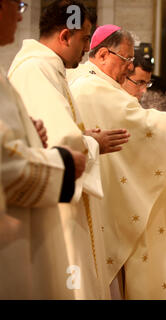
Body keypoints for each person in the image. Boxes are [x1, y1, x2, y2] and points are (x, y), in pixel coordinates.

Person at [67, 25, 166, 299]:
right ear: (104, 55)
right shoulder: (92, 87)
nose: (129, 67)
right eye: (126, 59)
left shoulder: (89, 80)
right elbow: (140, 123)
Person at [8, 0, 130, 299]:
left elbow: (49, 131)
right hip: (53, 208)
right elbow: (62, 141)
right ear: (65, 36)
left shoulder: (48, 67)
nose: (87, 47)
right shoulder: (36, 69)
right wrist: (92, 142)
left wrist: (84, 136)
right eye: (84, 38)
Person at [0, 0, 88, 299]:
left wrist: (27, 136)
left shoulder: (46, 67)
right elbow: (5, 160)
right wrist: (63, 163)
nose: (20, 13)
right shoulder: (37, 68)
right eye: (18, 4)